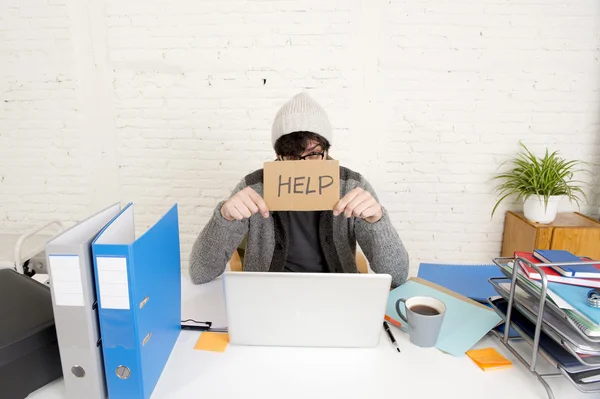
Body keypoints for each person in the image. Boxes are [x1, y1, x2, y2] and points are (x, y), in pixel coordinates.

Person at [189, 92, 409, 287]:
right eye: (292, 156)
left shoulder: (351, 185)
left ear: (327, 150)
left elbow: (397, 276)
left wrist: (377, 221)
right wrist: (224, 218)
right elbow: (200, 273)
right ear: (278, 155)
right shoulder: (254, 188)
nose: (304, 165)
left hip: (338, 296)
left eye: (313, 153)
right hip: (268, 297)